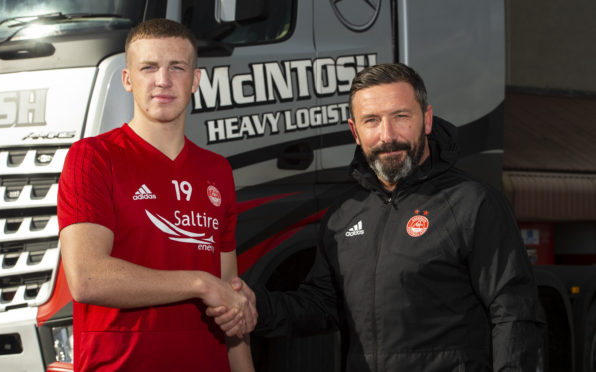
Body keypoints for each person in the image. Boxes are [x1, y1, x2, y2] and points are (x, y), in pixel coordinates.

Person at [209, 63, 545, 371]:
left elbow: (514, 311)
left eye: (401, 116)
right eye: (372, 120)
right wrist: (256, 307)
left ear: (426, 120)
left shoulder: (473, 203)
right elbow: (322, 306)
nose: (388, 135)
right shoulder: (343, 215)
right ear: (355, 132)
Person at [57, 19, 255, 372]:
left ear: (195, 81)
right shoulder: (92, 157)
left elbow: (230, 299)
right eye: (148, 67)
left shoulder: (217, 170)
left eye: (177, 67)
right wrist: (199, 282)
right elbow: (87, 278)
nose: (162, 80)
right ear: (128, 79)